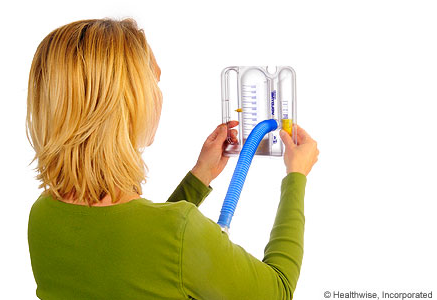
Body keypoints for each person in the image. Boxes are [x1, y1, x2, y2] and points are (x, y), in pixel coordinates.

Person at [26, 18, 319, 300]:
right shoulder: (181, 230)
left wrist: (199, 177)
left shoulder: (42, 216)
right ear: (129, 102)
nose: (159, 96)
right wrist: (296, 176)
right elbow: (278, 291)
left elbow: (137, 260)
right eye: (154, 82)